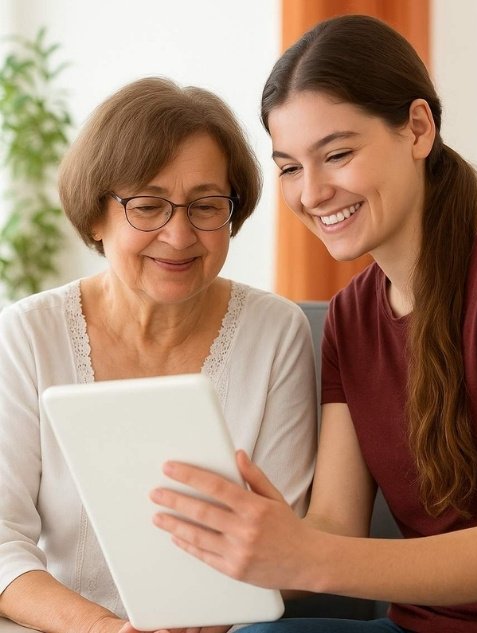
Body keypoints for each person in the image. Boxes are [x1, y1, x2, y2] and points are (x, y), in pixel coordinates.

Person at [149, 14, 477, 633]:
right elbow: (335, 527)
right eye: (290, 166)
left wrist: (311, 555)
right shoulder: (350, 317)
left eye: (338, 154)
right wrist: (253, 549)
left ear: (418, 129)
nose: (313, 192)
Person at [0, 77, 318, 633]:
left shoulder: (276, 332)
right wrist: (104, 629)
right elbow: (2, 543)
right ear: (96, 217)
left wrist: (205, 621)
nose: (178, 235)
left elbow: (290, 541)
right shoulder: (28, 334)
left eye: (205, 205)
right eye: (147, 206)